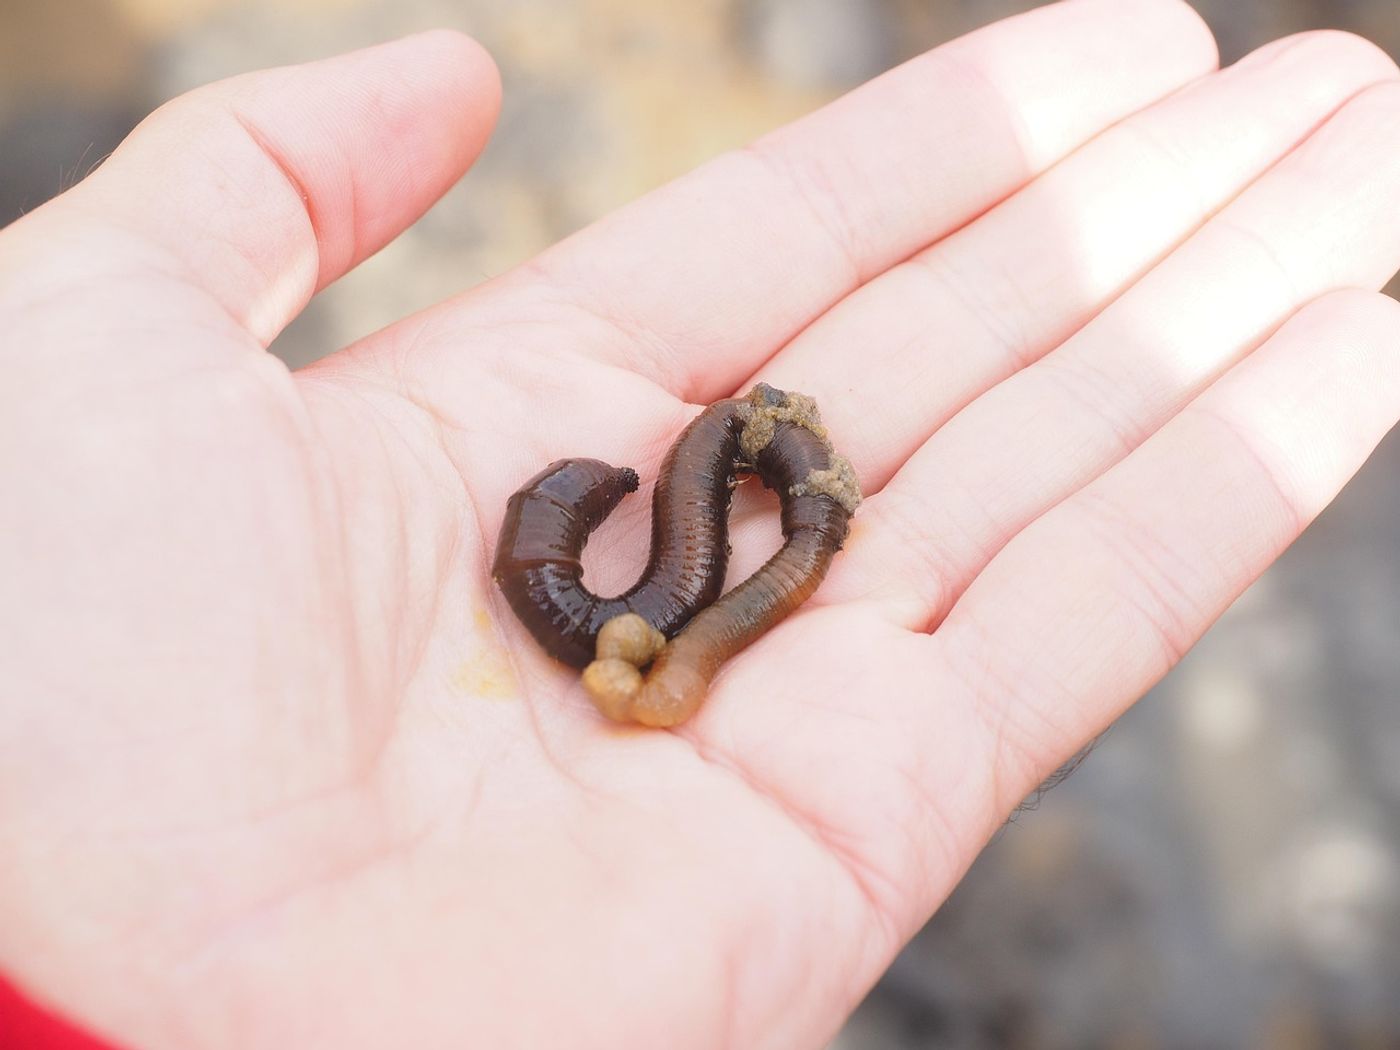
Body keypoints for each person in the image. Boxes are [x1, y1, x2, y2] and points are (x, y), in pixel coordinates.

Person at [3, 1, 1399, 1046]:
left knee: (693, 565)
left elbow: (681, 552)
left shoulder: (699, 536)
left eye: (641, 661)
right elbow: (640, 554)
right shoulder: (662, 560)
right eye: (643, 659)